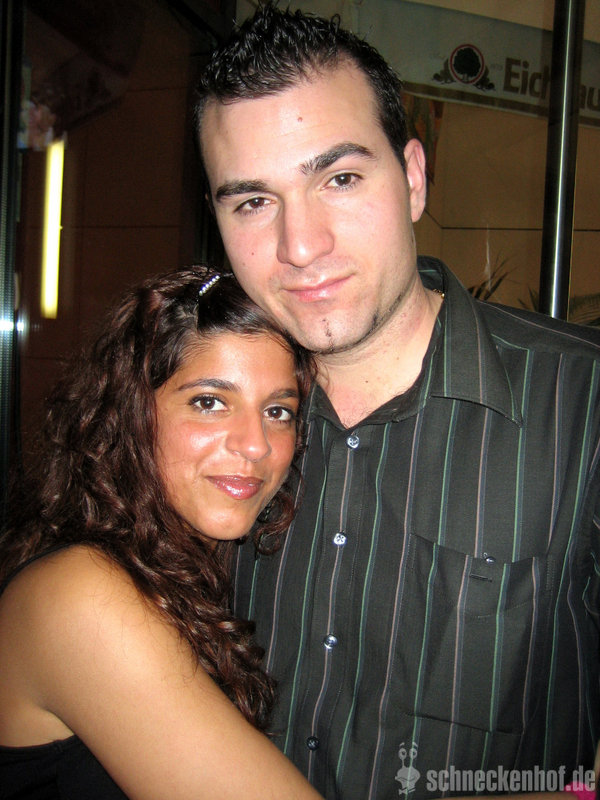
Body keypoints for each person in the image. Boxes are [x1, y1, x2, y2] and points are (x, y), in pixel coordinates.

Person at [194, 4, 600, 799]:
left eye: (339, 179)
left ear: (413, 177)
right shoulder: (198, 424)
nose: (300, 245)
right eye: (252, 202)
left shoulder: (583, 404)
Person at [0, 267, 324, 799]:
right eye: (209, 402)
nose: (256, 444)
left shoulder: (191, 571)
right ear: (131, 412)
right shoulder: (80, 596)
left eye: (278, 410)